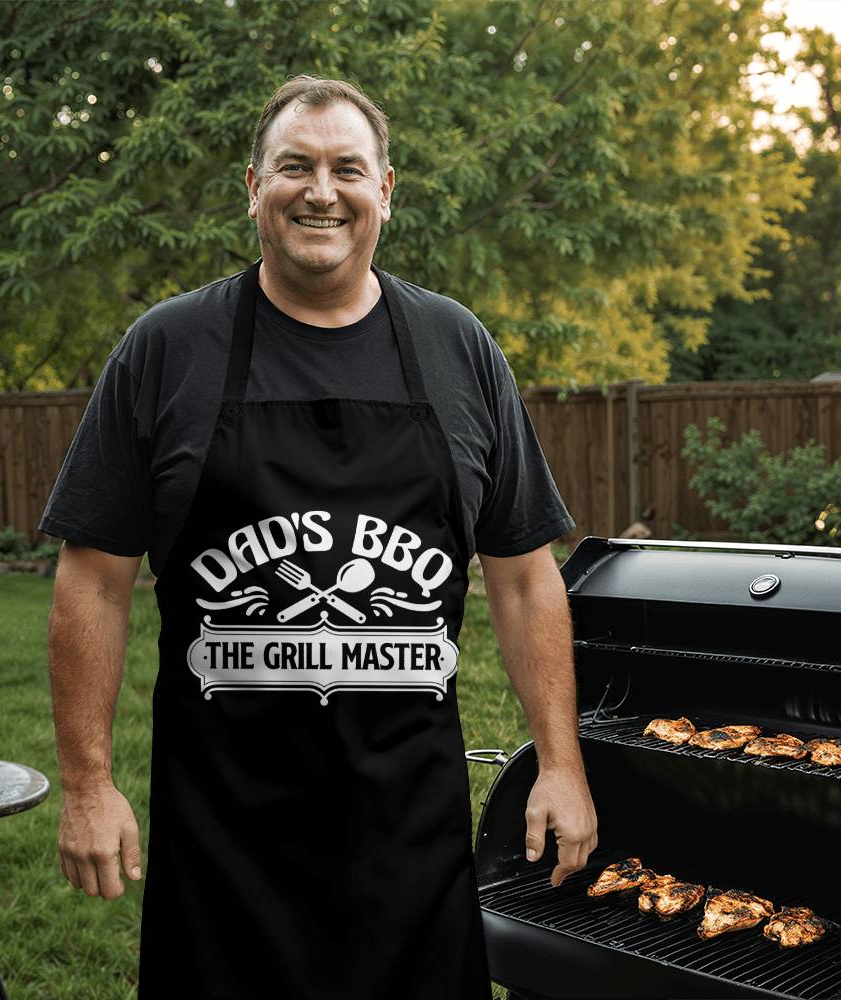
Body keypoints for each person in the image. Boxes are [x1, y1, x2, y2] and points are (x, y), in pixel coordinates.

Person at [40, 74, 597, 1000]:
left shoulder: (458, 347)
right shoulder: (168, 347)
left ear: (386, 190)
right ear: (251, 186)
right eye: (294, 166)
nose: (320, 190)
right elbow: (91, 580)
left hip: (409, 838)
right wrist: (88, 785)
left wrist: (563, 767)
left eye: (347, 168)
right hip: (222, 839)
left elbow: (525, 578)